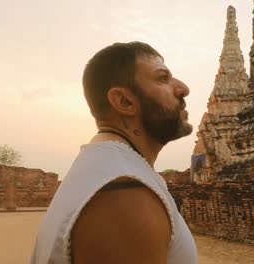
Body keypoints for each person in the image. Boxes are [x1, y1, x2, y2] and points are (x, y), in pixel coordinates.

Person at [30, 42, 198, 264]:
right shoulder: (125, 194)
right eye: (162, 78)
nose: (183, 88)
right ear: (124, 101)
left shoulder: (108, 168)